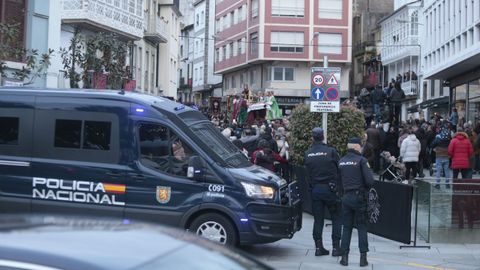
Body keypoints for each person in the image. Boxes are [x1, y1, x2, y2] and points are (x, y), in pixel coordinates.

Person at [304, 128, 342, 257]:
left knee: (318, 220)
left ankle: (319, 248)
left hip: (316, 190)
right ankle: (336, 248)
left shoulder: (308, 154)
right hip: (331, 189)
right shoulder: (331, 152)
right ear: (323, 136)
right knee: (336, 217)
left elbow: (307, 175)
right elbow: (339, 169)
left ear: (312, 138)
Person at [338, 137, 375, 267]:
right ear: (357, 147)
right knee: (361, 227)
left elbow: (338, 181)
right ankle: (363, 258)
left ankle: (344, 257)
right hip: (359, 198)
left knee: (346, 227)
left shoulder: (341, 161)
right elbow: (370, 181)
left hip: (346, 197)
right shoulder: (362, 161)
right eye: (361, 146)